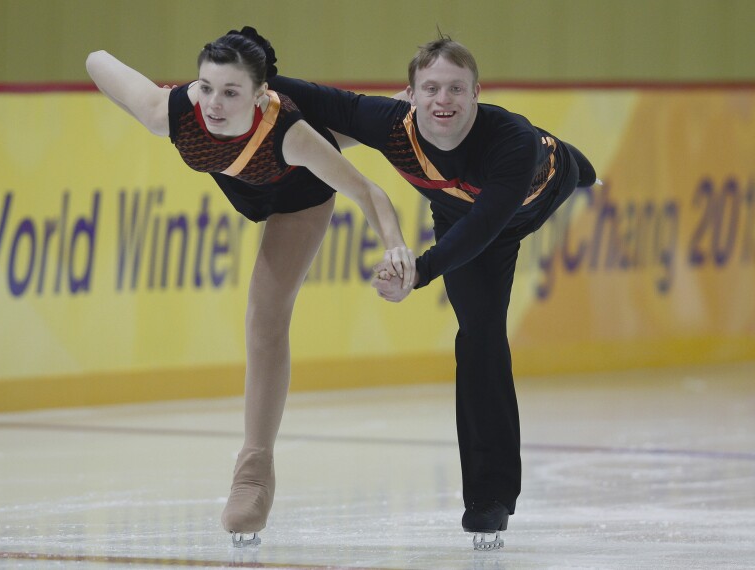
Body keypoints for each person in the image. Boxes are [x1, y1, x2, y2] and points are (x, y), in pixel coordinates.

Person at [86, 26, 415, 547]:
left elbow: (367, 192)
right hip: (248, 178)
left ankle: (254, 469)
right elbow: (96, 58)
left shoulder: (289, 131)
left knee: (265, 317)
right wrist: (169, 87)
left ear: (260, 94)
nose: (214, 104)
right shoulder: (171, 112)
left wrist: (396, 246)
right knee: (314, 133)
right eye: (207, 87)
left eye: (231, 92)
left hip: (296, 196)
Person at [269, 34, 596, 550]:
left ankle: (576, 162)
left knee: (575, 168)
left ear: (476, 93)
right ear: (411, 94)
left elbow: (484, 228)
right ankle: (490, 501)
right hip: (456, 212)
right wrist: (251, 65)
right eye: (432, 89)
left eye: (456, 89)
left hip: (530, 195)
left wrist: (418, 273)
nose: (443, 100)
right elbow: (315, 97)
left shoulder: (508, 140)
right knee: (480, 336)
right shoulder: (390, 126)